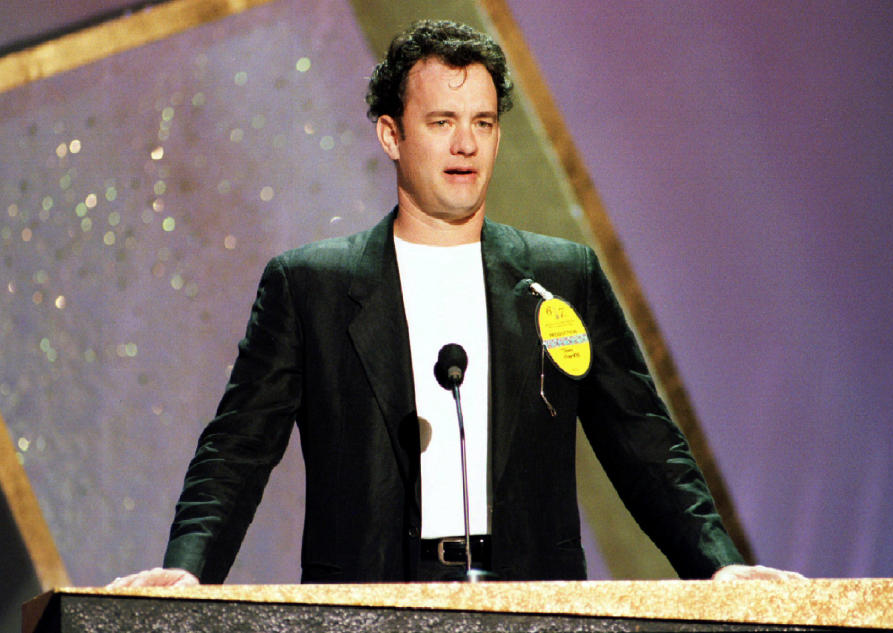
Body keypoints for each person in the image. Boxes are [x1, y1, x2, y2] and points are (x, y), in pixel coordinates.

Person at [109, 19, 801, 588]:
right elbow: (236, 449)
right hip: (370, 604)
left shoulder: (562, 277)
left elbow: (645, 442)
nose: (466, 143)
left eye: (483, 121)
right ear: (391, 135)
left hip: (534, 602)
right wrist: (188, 572)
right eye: (442, 120)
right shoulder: (310, 286)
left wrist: (719, 566)